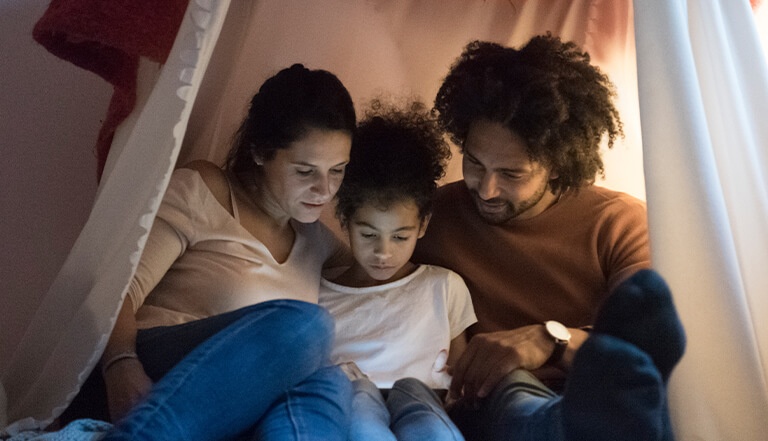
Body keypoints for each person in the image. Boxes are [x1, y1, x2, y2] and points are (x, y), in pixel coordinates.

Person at [412, 34, 686, 440]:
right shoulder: (427, 217)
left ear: (557, 166)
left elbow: (646, 343)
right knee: (517, 402)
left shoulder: (617, 223)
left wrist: (552, 340)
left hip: (583, 398)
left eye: (511, 174)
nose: (485, 189)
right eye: (474, 163)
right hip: (484, 409)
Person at [68, 64, 358, 441]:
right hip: (153, 366)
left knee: (331, 381)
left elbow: (379, 277)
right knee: (307, 326)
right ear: (258, 151)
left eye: (337, 170)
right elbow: (118, 289)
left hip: (231, 407)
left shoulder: (319, 242)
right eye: (305, 171)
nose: (325, 190)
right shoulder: (203, 191)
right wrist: (120, 365)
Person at [318, 102, 476, 441]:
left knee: (431, 427)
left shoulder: (444, 287)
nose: (383, 252)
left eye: (400, 236)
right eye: (369, 234)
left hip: (425, 405)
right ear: (345, 222)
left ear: (423, 225)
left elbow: (460, 384)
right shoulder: (318, 294)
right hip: (349, 406)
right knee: (361, 414)